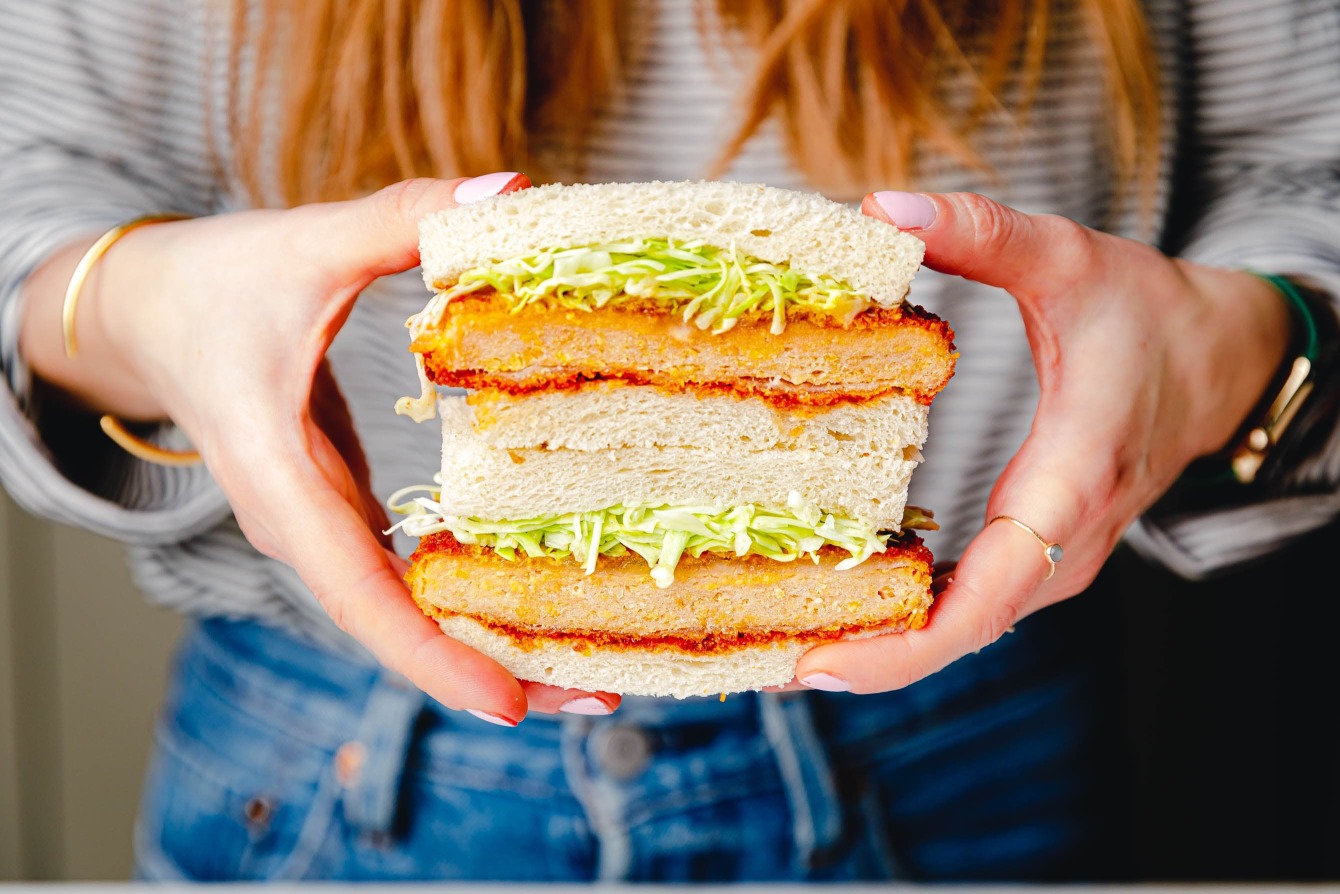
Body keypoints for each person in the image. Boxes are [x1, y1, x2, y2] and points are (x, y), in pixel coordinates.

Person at [1, 0, 1336, 882]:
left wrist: (1230, 343)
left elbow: (1309, 167)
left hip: (973, 744)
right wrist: (133, 300)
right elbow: (28, 178)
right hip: (325, 771)